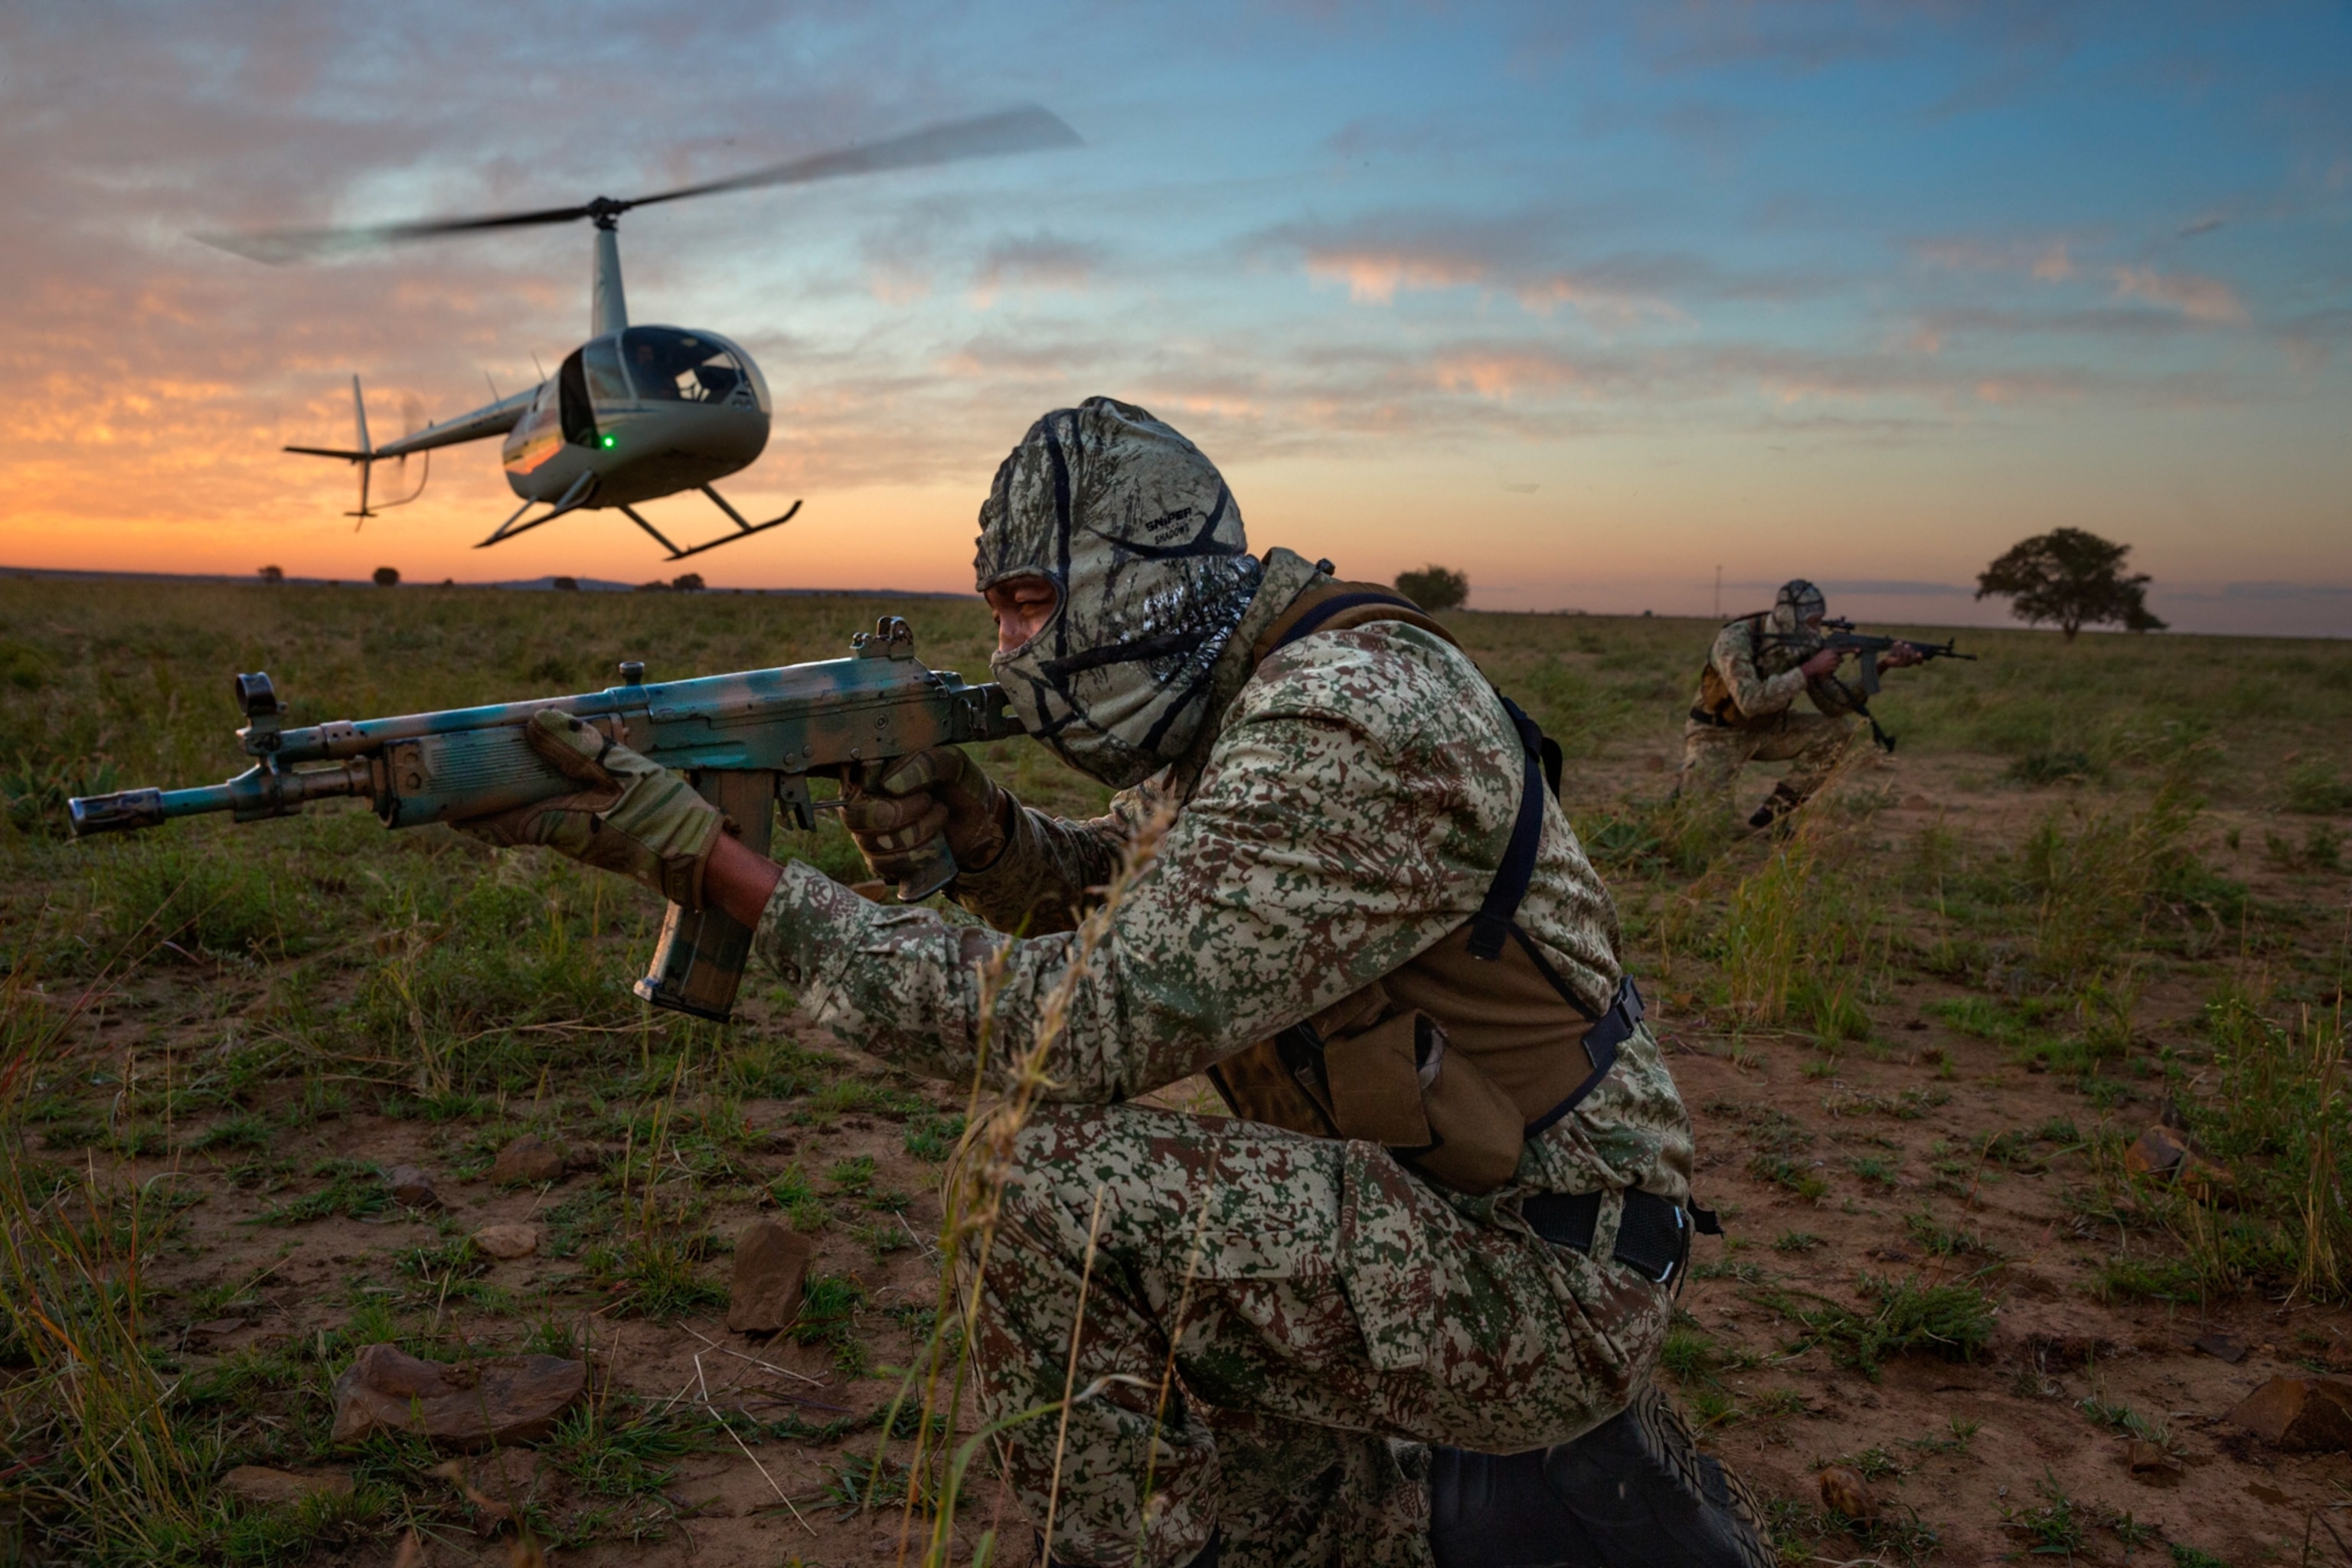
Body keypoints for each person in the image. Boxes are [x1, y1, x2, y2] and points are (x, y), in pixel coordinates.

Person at [459, 397, 1766, 1568]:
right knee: (1174, 1262)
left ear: (1132, 584)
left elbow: (1075, 1027)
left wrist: (721, 872)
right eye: (996, 609)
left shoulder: (1350, 715)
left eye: (1030, 603)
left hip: (1540, 1272)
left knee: (1037, 1179)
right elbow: (1133, 892)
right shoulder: (1238, 688)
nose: (1010, 646)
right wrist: (979, 829)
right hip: (1430, 1202)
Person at [1677, 579, 1923, 831]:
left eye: (1820, 621)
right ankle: (1689, 787)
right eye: (1812, 622)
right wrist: (1808, 670)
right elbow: (1750, 701)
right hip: (1716, 734)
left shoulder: (1805, 645)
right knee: (1705, 828)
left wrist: (1882, 666)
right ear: (1789, 617)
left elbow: (1834, 706)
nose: (1817, 631)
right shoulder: (1736, 639)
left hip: (1767, 730)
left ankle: (1772, 817)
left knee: (1837, 730)